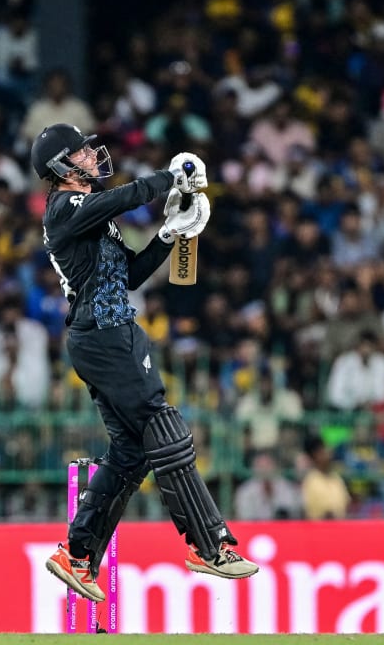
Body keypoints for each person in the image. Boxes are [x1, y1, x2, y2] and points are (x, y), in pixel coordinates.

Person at [30, 122, 258, 603]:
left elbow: (129, 275)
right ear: (60, 166)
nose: (92, 156)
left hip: (108, 332)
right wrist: (170, 178)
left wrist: (169, 234)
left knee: (132, 453)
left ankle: (77, 555)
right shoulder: (64, 207)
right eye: (82, 152)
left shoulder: (89, 212)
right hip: (105, 335)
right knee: (162, 423)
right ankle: (209, 545)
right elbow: (123, 198)